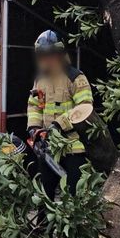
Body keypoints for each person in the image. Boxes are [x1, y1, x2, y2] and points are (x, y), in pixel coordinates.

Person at [27, 30, 93, 200]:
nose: (48, 59)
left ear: (60, 53)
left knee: (75, 194)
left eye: (51, 54)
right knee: (44, 193)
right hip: (48, 146)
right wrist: (34, 128)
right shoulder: (40, 79)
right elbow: (34, 106)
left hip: (73, 146)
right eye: (43, 55)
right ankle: (43, 218)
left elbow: (85, 107)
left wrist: (59, 124)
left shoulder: (75, 77)